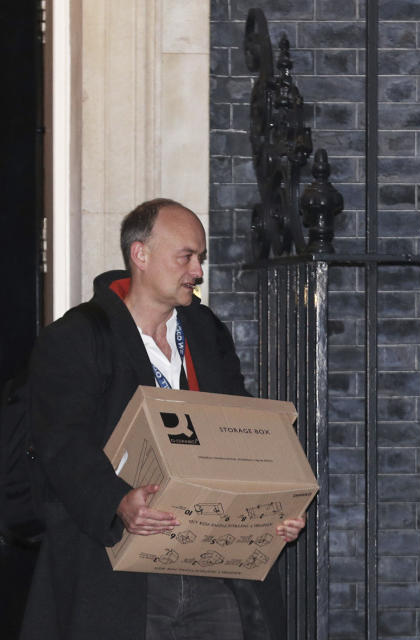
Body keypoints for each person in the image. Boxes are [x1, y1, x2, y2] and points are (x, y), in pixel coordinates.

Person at [19, 199, 306, 640]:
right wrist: (117, 500)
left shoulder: (206, 331)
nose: (198, 272)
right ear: (141, 255)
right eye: (186, 256)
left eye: (201, 258)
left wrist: (273, 506)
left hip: (210, 567)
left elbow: (244, 431)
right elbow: (63, 445)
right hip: (119, 572)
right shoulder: (76, 336)